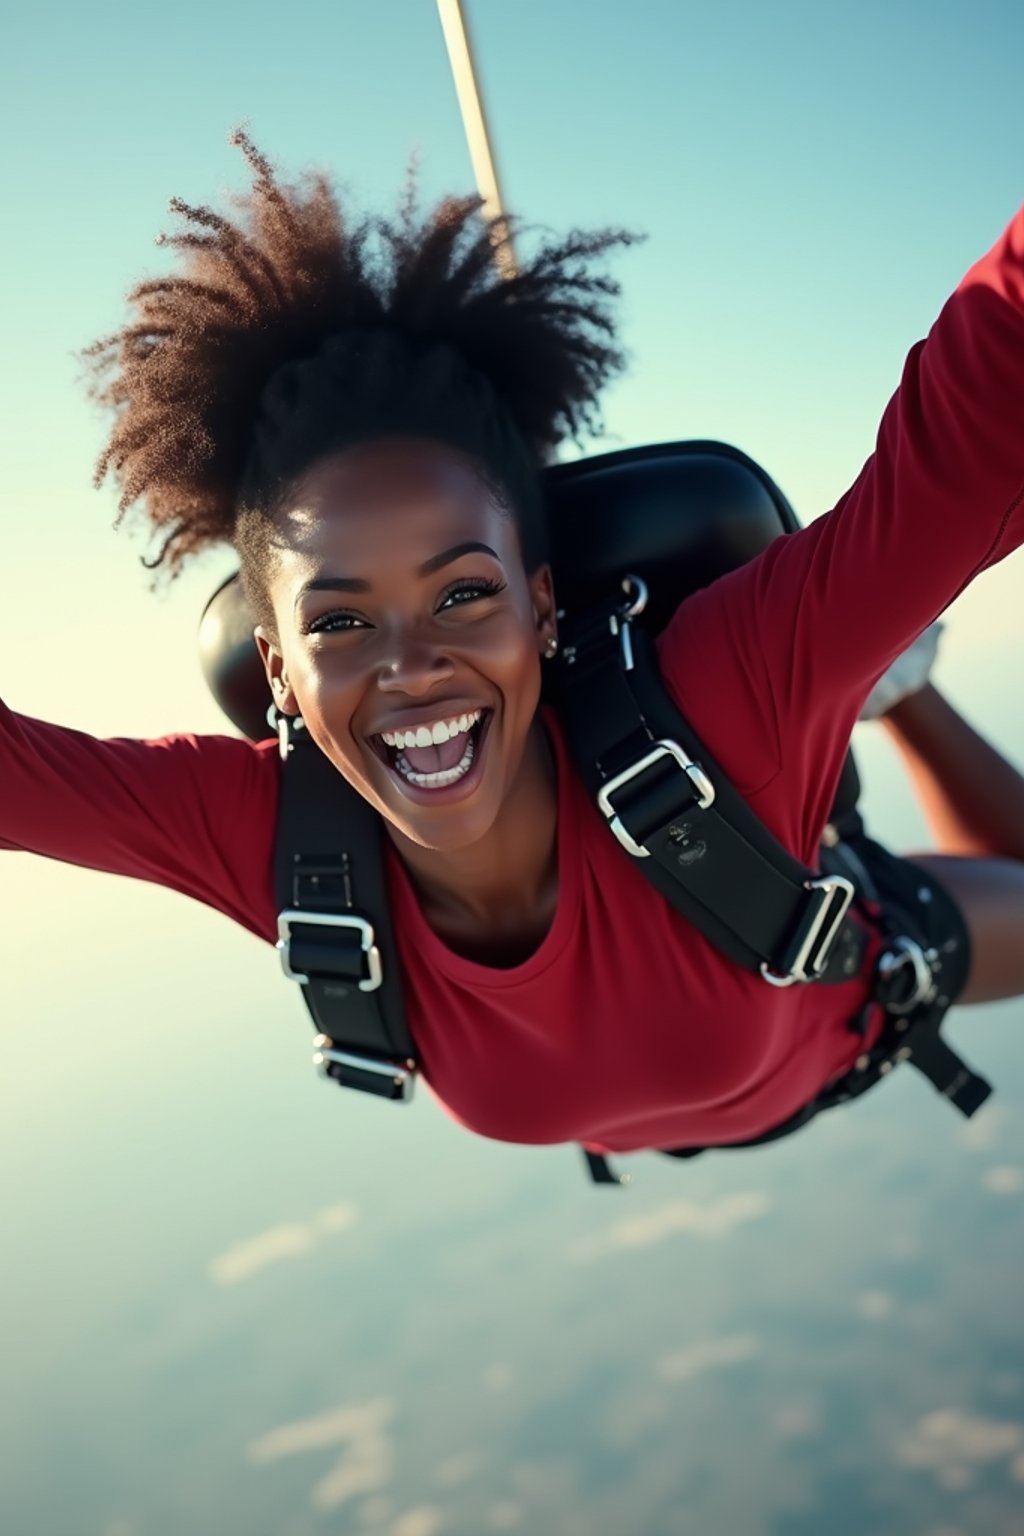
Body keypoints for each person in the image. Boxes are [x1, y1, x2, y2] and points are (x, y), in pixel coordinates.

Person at [4, 131, 1024, 1162]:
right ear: (276, 666)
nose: (411, 664)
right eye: (340, 621)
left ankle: (897, 693)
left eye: (462, 594)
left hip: (871, 979)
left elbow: (984, 408)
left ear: (541, 606)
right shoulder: (276, 834)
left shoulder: (725, 698)